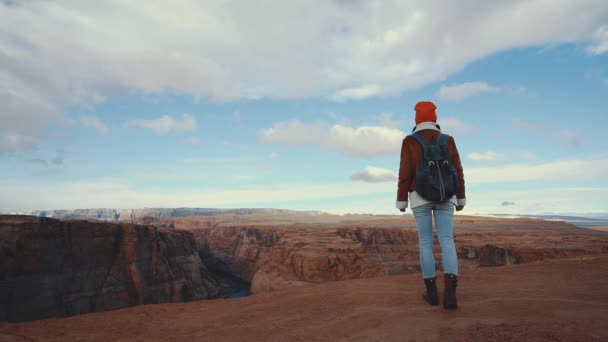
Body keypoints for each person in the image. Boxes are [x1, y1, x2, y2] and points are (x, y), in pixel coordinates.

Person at [396, 101, 466, 309]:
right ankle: (451, 295)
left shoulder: (409, 141)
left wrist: (401, 200)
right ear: (435, 118)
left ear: (417, 119)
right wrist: (460, 198)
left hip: (419, 197)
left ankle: (432, 293)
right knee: (447, 240)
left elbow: (405, 172)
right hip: (446, 197)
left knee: (425, 242)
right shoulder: (448, 140)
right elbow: (458, 170)